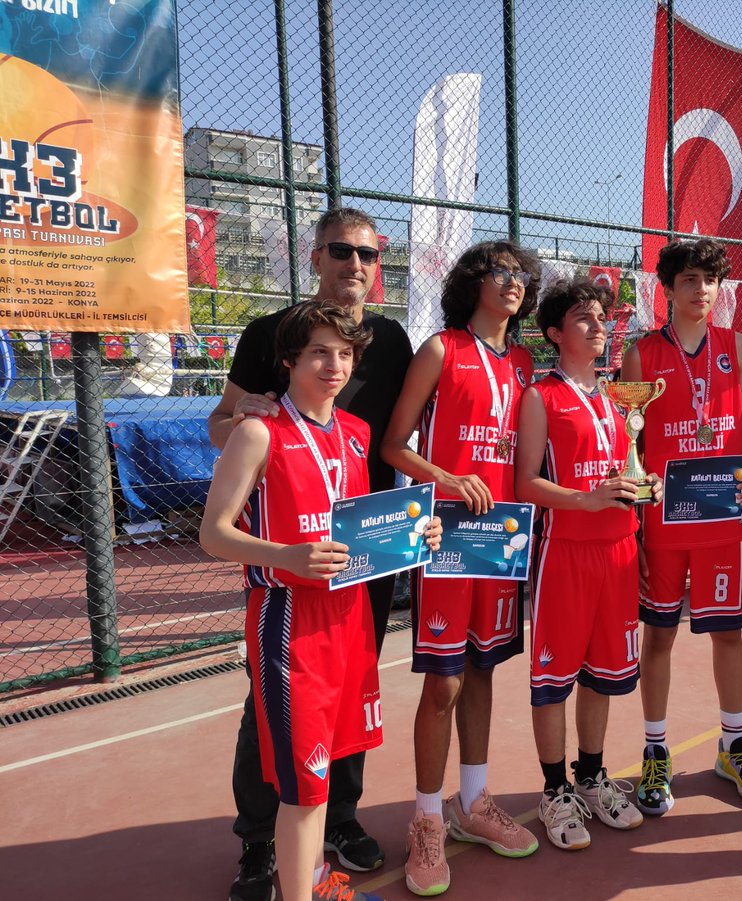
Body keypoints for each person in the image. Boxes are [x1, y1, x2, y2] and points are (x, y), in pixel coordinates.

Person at [200, 300, 441, 901]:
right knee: (302, 787)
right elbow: (213, 534)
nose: (333, 364)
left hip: (349, 616)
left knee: (328, 767)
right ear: (288, 361)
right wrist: (285, 556)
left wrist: (417, 535)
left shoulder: (356, 434)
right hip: (289, 619)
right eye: (318, 352)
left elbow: (362, 533)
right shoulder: (258, 432)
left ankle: (309, 881)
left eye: (344, 352)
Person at [380, 241, 540, 895]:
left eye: (522, 275)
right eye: (501, 272)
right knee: (442, 682)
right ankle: (425, 817)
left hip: (502, 538)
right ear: (475, 281)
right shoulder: (442, 349)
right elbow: (393, 442)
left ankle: (473, 802)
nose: (514, 283)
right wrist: (447, 476)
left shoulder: (528, 362)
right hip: (449, 531)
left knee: (482, 669)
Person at [621, 238, 742, 816]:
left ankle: (733, 741)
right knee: (659, 635)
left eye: (710, 280)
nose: (701, 290)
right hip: (664, 518)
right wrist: (636, 514)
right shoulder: (641, 355)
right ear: (667, 289)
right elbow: (630, 444)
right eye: (689, 279)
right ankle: (655, 749)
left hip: (720, 515)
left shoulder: (739, 347)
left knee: (728, 632)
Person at [514, 277, 662, 850]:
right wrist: (584, 500)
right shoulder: (540, 396)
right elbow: (526, 481)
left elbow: (628, 465)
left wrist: (641, 488)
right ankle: (554, 790)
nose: (599, 326)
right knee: (554, 679)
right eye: (584, 319)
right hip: (566, 551)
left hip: (619, 548)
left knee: (603, 674)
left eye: (602, 317)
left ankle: (593, 776)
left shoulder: (616, 395)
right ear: (555, 333)